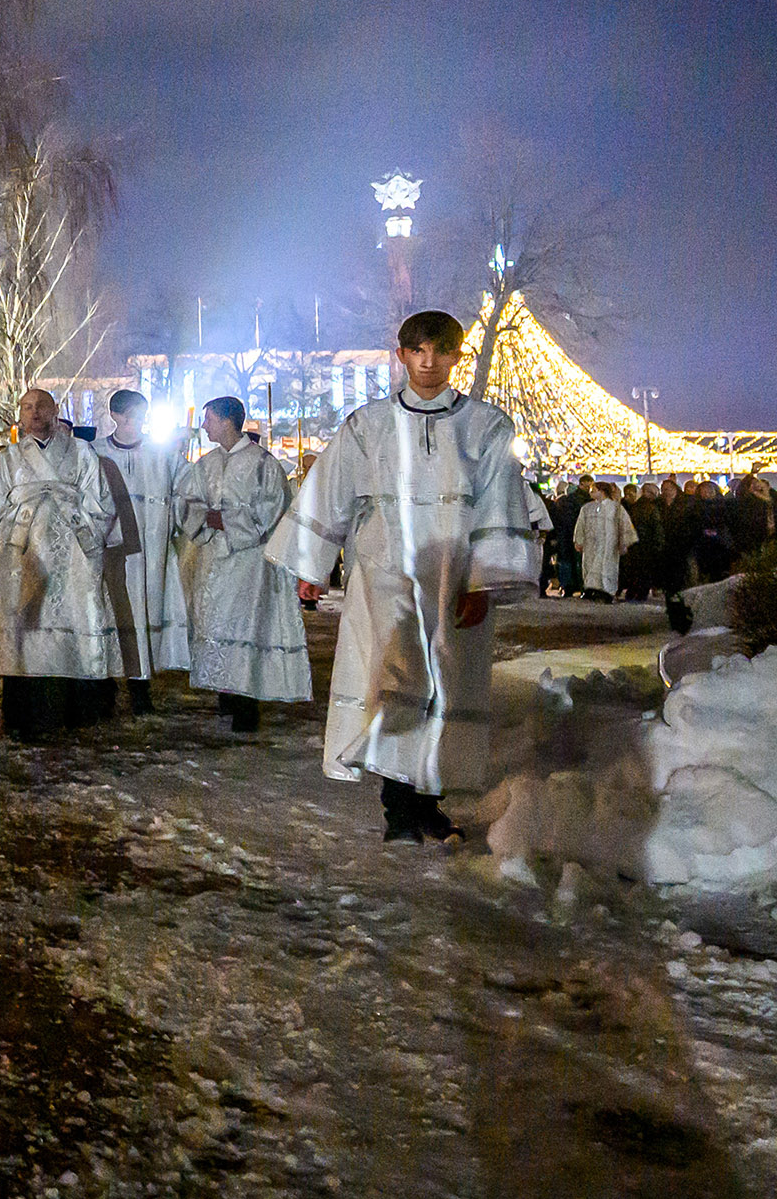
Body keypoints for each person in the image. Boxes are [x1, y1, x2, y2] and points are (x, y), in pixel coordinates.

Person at [265, 310, 539, 843]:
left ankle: (429, 797)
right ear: (402, 356)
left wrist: (486, 579)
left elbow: (499, 503)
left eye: (440, 351)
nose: (429, 362)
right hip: (383, 576)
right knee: (390, 679)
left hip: (453, 578)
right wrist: (312, 566)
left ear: (458, 356)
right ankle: (398, 807)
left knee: (448, 682)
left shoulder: (486, 426)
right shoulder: (368, 425)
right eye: (417, 350)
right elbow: (332, 490)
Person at [0, 388, 119, 741]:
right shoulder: (7, 458)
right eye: (26, 407)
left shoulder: (82, 452)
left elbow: (101, 503)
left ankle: (74, 710)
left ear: (55, 411)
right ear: (19, 416)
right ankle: (22, 712)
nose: (34, 412)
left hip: (71, 551)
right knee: (24, 625)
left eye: (41, 406)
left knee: (72, 618)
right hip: (22, 554)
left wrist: (80, 529)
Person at [176, 397, 312, 731]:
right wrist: (204, 519)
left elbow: (273, 511)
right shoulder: (205, 464)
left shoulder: (264, 464)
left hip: (250, 563)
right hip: (213, 560)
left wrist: (226, 521)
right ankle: (225, 698)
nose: (204, 425)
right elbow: (185, 502)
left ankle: (246, 707)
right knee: (215, 626)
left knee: (245, 629)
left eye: (208, 419)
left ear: (226, 421)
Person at [90, 389, 190, 713]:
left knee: (145, 613)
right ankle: (105, 685)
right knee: (108, 614)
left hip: (151, 555)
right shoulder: (94, 453)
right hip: (111, 554)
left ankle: (140, 686)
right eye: (131, 415)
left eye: (142, 415)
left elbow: (189, 491)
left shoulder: (163, 455)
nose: (137, 422)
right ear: (115, 416)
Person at [575, 480, 637, 602]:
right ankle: (590, 589)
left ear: (602, 491)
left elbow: (624, 525)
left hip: (609, 543)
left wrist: (624, 542)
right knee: (590, 565)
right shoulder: (587, 508)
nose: (591, 493)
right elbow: (580, 525)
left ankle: (607, 591)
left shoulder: (616, 508)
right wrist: (579, 541)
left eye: (594, 490)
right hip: (591, 544)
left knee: (607, 566)